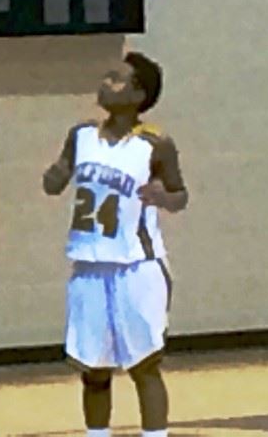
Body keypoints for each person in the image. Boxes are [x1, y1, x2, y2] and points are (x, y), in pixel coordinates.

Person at [42, 51, 188, 437]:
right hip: (89, 264)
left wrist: (163, 196)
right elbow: (53, 182)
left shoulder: (157, 144)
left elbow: (180, 196)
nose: (105, 84)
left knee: (144, 365)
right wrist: (55, 175)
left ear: (139, 94)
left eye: (117, 79)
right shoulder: (81, 135)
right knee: (93, 370)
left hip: (137, 265)